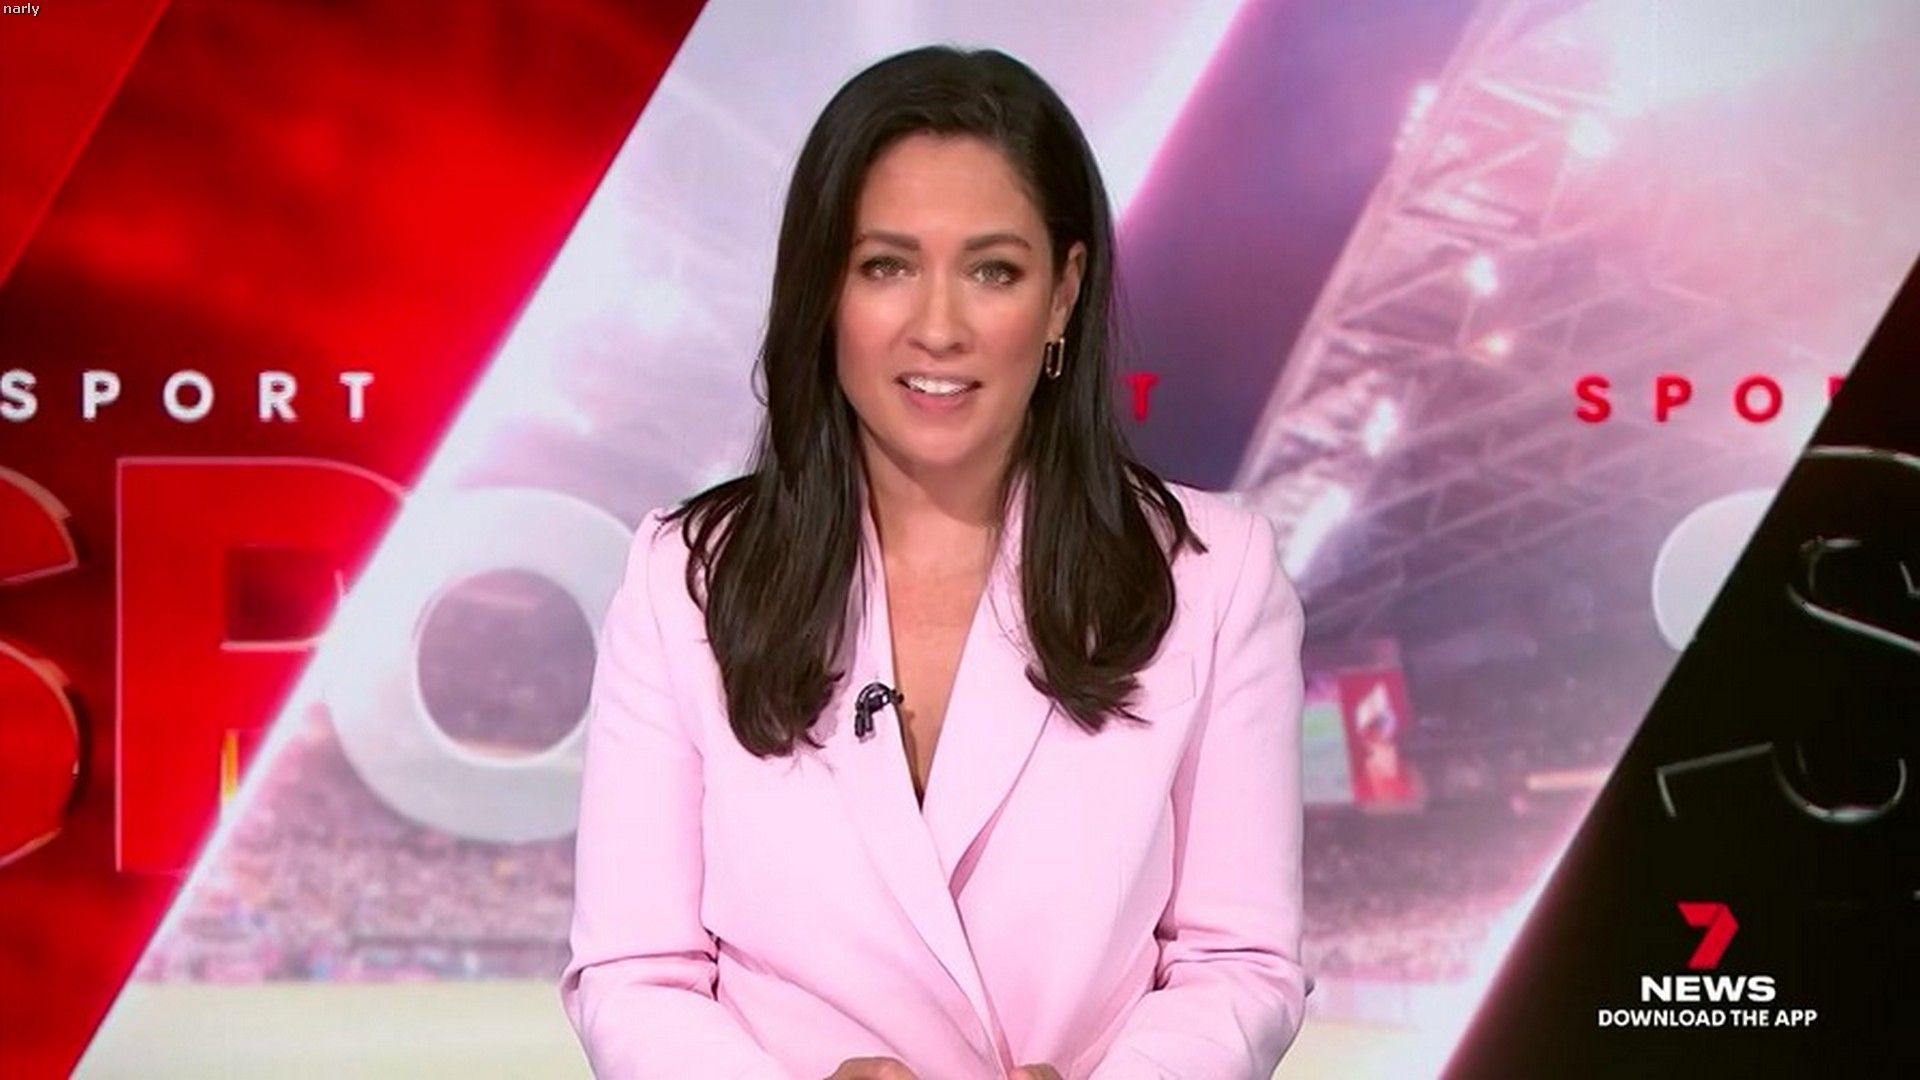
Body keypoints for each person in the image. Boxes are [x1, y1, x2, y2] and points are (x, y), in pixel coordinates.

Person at [560, 44, 1311, 1079]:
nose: (940, 327)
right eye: (887, 266)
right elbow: (635, 973)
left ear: (1063, 295)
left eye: (994, 271)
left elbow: (1239, 963)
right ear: (825, 291)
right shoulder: (682, 580)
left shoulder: (1216, 577)